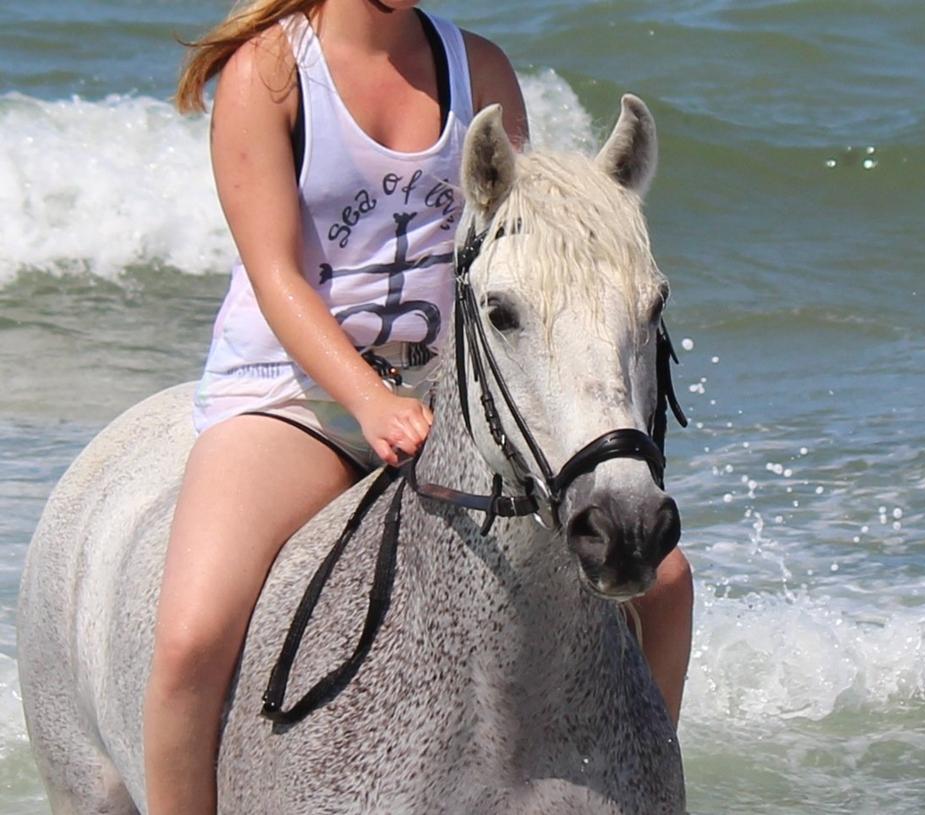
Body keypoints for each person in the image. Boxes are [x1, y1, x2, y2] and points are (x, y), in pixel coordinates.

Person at [147, 0, 694, 811]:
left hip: (458, 401)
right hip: (293, 396)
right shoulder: (269, 75)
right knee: (191, 641)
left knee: (669, 581)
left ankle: (637, 780)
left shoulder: (481, 70)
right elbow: (276, 277)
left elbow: (528, 263)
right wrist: (368, 400)